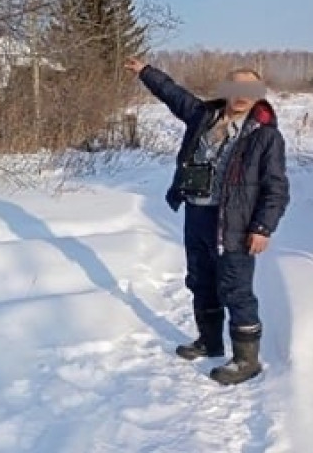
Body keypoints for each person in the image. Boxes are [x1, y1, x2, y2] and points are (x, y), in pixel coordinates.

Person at [124, 57, 290, 385]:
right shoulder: (204, 115)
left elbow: (277, 189)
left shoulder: (266, 136)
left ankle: (246, 360)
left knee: (235, 288)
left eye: (250, 89)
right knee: (201, 280)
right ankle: (210, 341)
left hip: (236, 223)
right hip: (197, 214)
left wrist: (262, 228)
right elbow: (174, 94)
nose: (241, 95)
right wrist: (145, 72)